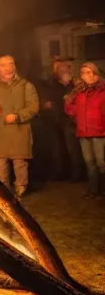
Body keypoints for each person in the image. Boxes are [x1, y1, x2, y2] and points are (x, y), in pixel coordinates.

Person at [0, 55, 39, 197]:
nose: (8, 68)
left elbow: (33, 107)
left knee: (20, 164)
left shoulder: (26, 86)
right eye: (3, 65)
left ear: (15, 66)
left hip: (19, 130)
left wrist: (17, 116)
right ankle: (5, 195)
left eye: (11, 64)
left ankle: (20, 191)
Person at [64, 61, 105, 198]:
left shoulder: (102, 90)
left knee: (101, 162)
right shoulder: (79, 91)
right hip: (83, 131)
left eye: (89, 72)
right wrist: (69, 103)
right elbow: (71, 110)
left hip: (100, 131)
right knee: (89, 162)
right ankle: (93, 189)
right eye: (83, 72)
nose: (85, 75)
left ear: (96, 74)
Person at [44, 60, 85, 182]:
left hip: (71, 121)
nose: (63, 73)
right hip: (57, 121)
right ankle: (62, 173)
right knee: (60, 150)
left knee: (73, 150)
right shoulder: (53, 85)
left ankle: (77, 175)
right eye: (60, 71)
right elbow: (50, 99)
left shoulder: (76, 85)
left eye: (65, 70)